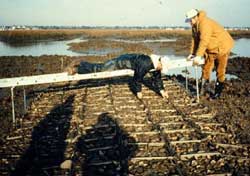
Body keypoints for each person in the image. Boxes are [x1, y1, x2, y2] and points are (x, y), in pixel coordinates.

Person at [67, 53, 169, 99]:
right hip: (120, 62)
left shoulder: (155, 64)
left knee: (100, 68)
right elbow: (137, 79)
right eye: (162, 68)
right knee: (100, 69)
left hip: (128, 59)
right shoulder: (146, 63)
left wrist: (162, 91)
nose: (161, 70)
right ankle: (79, 66)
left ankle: (80, 66)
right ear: (160, 63)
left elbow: (157, 77)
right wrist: (138, 92)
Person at [185, 9, 234, 99]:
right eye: (188, 21)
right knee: (206, 69)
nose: (189, 23)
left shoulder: (205, 24)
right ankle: (202, 91)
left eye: (190, 20)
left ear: (195, 17)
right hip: (210, 49)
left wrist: (198, 55)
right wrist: (192, 54)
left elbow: (204, 41)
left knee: (220, 70)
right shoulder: (195, 26)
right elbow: (194, 40)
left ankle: (217, 93)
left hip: (222, 47)